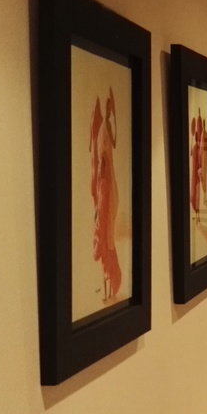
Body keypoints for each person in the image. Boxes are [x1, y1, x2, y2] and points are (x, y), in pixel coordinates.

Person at [89, 87, 122, 303]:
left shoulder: (106, 126)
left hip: (107, 185)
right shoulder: (103, 128)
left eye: (111, 106)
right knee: (104, 234)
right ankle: (107, 287)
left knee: (106, 234)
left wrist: (113, 120)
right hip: (104, 185)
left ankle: (110, 285)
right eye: (107, 106)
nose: (108, 109)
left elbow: (114, 143)